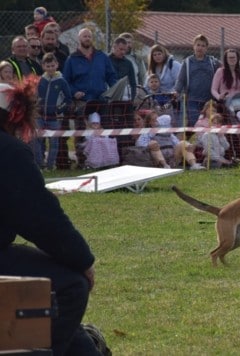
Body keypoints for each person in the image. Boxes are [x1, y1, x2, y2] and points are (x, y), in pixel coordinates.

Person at [0, 80, 104, 355]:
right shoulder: (8, 151)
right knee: (71, 285)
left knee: (61, 317)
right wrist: (82, 260)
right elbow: (41, 218)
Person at [62, 27, 117, 169]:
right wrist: (74, 92)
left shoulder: (102, 57)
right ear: (79, 39)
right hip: (82, 101)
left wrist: (113, 91)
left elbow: (111, 76)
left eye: (89, 36)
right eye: (84, 36)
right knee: (81, 131)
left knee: (106, 128)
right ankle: (82, 160)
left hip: (101, 99)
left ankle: (106, 159)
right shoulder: (72, 59)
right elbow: (65, 81)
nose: (87, 38)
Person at [174, 34, 222, 128]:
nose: (200, 48)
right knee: (195, 123)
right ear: (194, 46)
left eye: (203, 46)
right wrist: (176, 91)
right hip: (192, 100)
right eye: (198, 45)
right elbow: (181, 79)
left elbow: (223, 73)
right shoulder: (187, 62)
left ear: (206, 48)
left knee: (210, 124)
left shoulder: (213, 62)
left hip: (209, 101)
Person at [36, 52, 72, 170]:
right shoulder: (40, 80)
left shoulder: (61, 81)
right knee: (38, 140)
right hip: (40, 116)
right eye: (48, 66)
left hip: (54, 118)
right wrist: (36, 107)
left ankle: (51, 165)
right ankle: (40, 164)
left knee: (54, 142)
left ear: (57, 65)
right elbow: (35, 96)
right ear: (43, 66)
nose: (50, 68)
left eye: (52, 65)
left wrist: (59, 109)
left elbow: (68, 99)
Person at [135, 110, 204, 170]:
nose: (156, 122)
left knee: (183, 143)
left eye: (157, 119)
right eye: (154, 120)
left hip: (172, 159)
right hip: (156, 160)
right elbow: (139, 144)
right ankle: (165, 166)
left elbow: (177, 143)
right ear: (149, 122)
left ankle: (194, 165)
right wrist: (149, 145)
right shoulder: (147, 133)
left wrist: (188, 145)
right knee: (153, 143)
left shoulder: (168, 132)